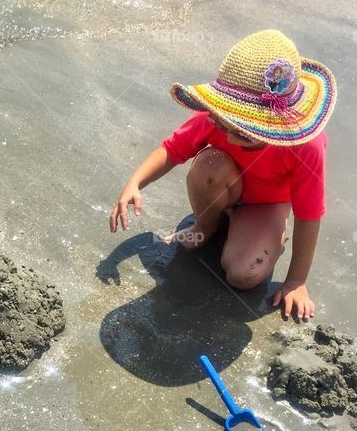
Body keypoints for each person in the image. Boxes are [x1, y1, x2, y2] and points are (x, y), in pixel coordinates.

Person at [109, 29, 337, 320]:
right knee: (209, 164)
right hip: (221, 184)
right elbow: (172, 150)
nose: (227, 137)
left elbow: (309, 214)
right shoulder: (216, 119)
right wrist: (135, 182)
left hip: (267, 204)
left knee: (244, 275)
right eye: (224, 123)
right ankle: (207, 225)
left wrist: (296, 281)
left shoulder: (305, 146)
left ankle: (253, 228)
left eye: (240, 130)